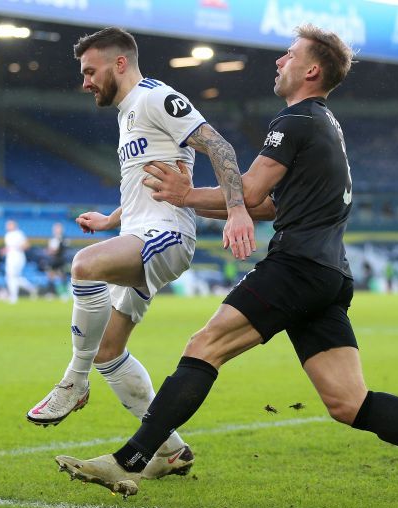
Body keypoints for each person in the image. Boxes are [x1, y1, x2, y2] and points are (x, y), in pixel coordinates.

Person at [54, 24, 398, 499]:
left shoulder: (294, 121)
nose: (279, 61)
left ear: (312, 69)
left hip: (297, 265)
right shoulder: (325, 124)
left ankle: (129, 460)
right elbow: (270, 206)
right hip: (329, 274)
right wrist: (194, 200)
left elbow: (251, 193)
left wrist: (186, 193)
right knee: (350, 403)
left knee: (205, 346)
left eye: (289, 55)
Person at [26, 27, 255, 481]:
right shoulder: (127, 113)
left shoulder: (156, 97)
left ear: (119, 64)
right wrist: (112, 221)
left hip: (168, 234)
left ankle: (74, 380)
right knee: (110, 351)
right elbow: (144, 181)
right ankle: (170, 451)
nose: (85, 81)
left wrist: (236, 210)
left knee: (84, 265)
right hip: (140, 231)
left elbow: (218, 146)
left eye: (90, 71)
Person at [2, 219, 38, 303]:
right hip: (10, 257)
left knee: (11, 276)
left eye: (9, 224)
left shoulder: (19, 234)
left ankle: (13, 297)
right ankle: (31, 288)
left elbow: (26, 245)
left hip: (18, 256)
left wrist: (19, 247)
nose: (7, 226)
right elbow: (9, 247)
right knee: (14, 277)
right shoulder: (7, 235)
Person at [44, 222, 69, 297]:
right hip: (53, 260)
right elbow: (49, 250)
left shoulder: (64, 238)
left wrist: (54, 251)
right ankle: (51, 293)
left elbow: (62, 249)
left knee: (62, 275)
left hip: (60, 260)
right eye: (55, 228)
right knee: (50, 275)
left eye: (58, 228)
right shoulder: (52, 239)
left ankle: (65, 293)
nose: (56, 230)